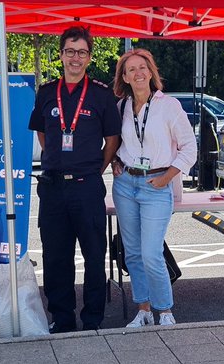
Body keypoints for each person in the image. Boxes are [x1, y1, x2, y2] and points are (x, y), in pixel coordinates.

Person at [29, 26, 121, 332]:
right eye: (70, 51)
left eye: (81, 52)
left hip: (87, 186)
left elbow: (112, 139)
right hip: (53, 187)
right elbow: (42, 132)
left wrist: (96, 169)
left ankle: (92, 318)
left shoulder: (101, 94)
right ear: (61, 55)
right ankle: (63, 318)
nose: (75, 58)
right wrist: (58, 158)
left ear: (89, 57)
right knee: (56, 258)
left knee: (95, 256)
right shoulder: (45, 92)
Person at [109, 49, 197, 327]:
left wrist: (167, 177)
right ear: (124, 77)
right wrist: (114, 160)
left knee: (151, 252)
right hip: (125, 185)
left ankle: (165, 311)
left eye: (142, 67)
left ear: (151, 72)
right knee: (132, 252)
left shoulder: (168, 106)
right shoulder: (121, 106)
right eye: (131, 69)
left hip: (156, 184)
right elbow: (114, 141)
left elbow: (189, 148)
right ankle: (144, 310)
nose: (138, 73)